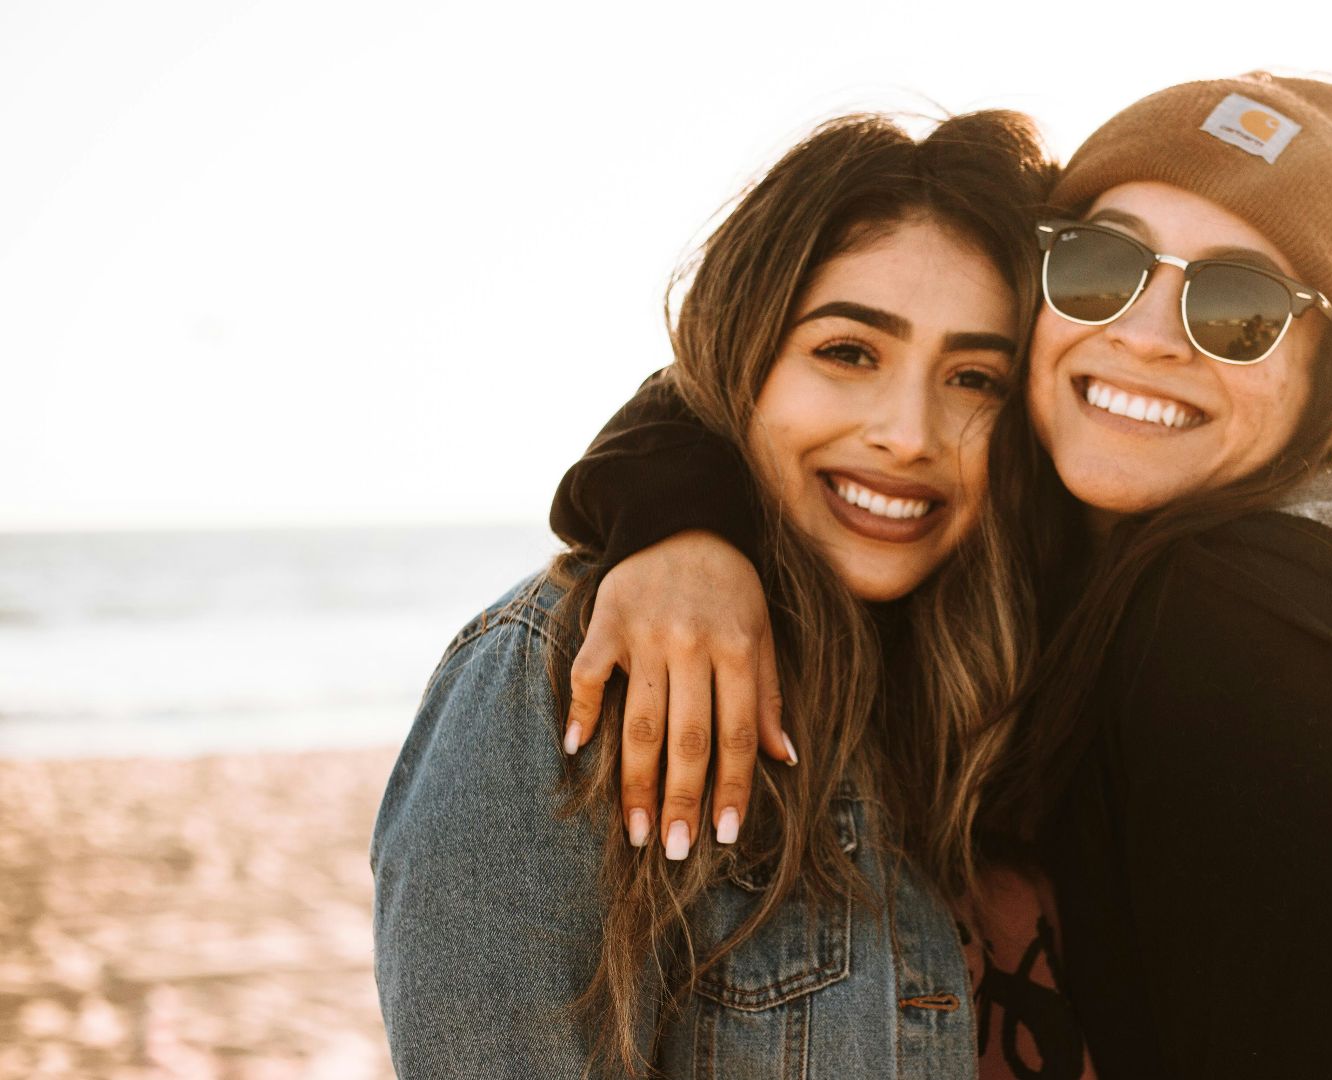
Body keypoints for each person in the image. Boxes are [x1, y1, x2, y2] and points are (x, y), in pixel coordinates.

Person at [547, 71, 1332, 1077]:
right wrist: (684, 527)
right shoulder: (1073, 519)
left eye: (1238, 308)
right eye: (1104, 266)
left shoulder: (1255, 623)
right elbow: (753, 366)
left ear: (1330, 380)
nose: (1143, 337)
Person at [370, 109, 1093, 1078]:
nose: (910, 433)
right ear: (742, 358)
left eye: (974, 378)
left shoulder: (1041, 669)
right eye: (848, 352)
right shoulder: (556, 680)